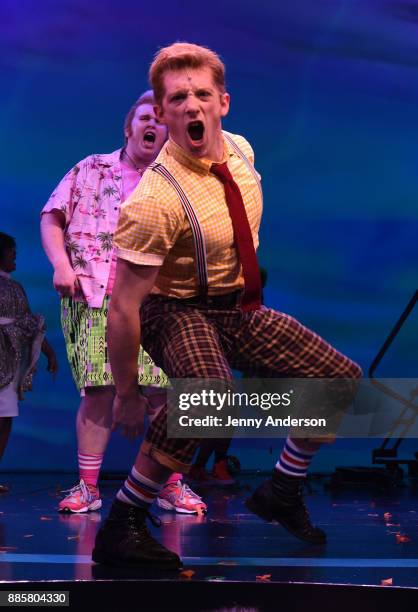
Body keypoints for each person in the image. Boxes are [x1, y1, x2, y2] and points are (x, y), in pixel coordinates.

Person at [92, 42, 362, 569]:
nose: (191, 106)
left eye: (201, 94)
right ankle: (122, 523)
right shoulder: (153, 199)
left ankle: (282, 490)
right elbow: (123, 306)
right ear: (163, 111)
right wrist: (125, 393)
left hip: (237, 306)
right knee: (209, 397)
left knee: (338, 379)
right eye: (177, 99)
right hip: (174, 309)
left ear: (223, 102)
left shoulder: (240, 151)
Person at [40, 90, 206, 515]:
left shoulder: (175, 181)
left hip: (156, 302)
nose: (154, 125)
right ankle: (89, 487)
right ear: (130, 126)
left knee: (163, 393)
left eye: (162, 120)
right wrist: (61, 265)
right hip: (94, 296)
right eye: (146, 118)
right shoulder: (91, 168)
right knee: (99, 391)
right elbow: (52, 215)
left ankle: (170, 485)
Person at [0, 232, 57, 492]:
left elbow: (28, 323)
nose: (15, 256)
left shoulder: (15, 287)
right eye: (11, 252)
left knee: (4, 417)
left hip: (8, 361)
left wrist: (49, 352)